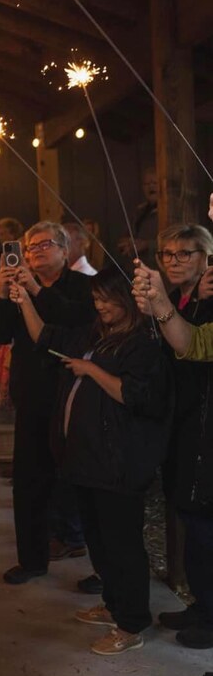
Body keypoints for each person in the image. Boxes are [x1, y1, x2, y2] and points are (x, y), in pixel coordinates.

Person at [12, 269, 172, 655]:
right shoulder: (95, 333)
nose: (100, 306)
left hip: (118, 462)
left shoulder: (143, 342)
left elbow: (134, 395)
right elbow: (45, 337)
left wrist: (91, 370)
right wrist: (24, 301)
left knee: (122, 545)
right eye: (96, 299)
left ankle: (131, 624)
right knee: (99, 542)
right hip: (85, 460)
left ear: (127, 299)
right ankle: (114, 604)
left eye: (107, 299)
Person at [0, 222, 94, 583]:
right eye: (30, 247)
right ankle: (31, 560)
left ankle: (91, 556)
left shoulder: (82, 286)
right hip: (33, 395)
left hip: (75, 394)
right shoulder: (16, 287)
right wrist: (3, 293)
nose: (36, 251)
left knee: (79, 479)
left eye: (45, 244)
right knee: (29, 481)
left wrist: (35, 290)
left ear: (65, 250)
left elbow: (75, 319)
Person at [134, 248, 213, 651]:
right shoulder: (195, 301)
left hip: (201, 426)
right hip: (190, 425)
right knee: (195, 521)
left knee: (204, 524)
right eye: (168, 253)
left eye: (185, 253)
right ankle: (203, 605)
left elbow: (194, 345)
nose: (174, 260)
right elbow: (189, 346)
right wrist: (160, 305)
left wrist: (162, 303)